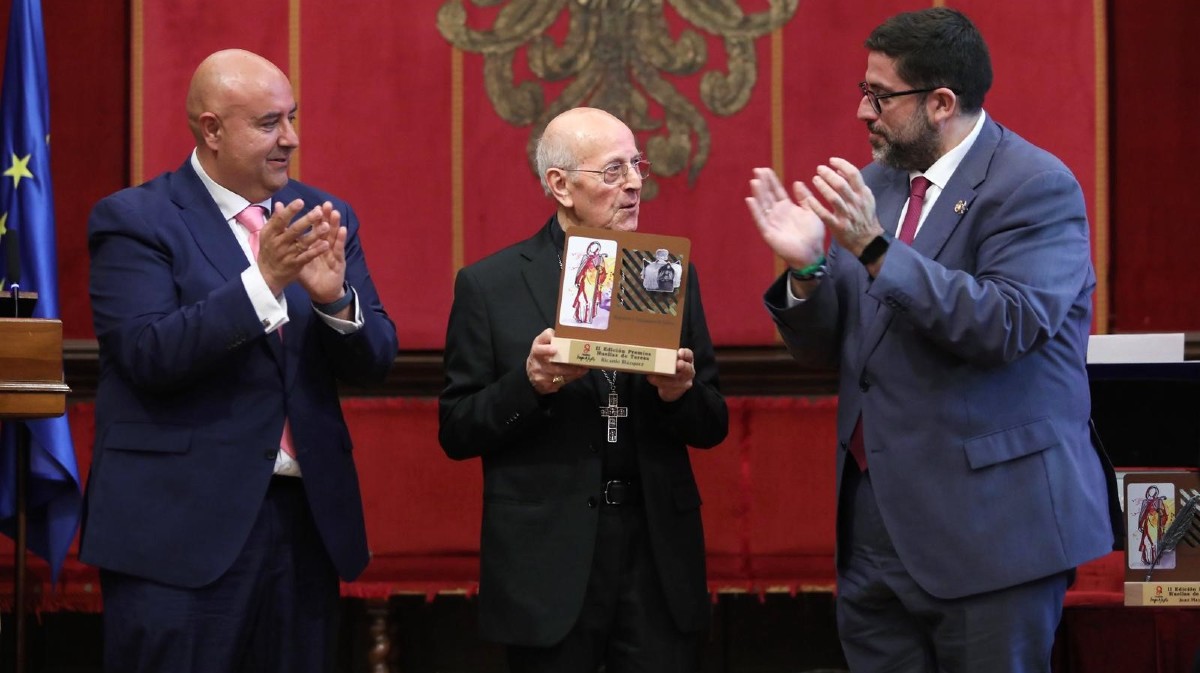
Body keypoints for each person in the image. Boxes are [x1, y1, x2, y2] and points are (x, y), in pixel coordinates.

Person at [745, 8, 1121, 672]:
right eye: (864, 91)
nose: (863, 111)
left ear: (941, 102)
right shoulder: (875, 186)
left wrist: (874, 249)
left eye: (880, 96)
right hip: (874, 530)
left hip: (992, 532)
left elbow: (1004, 323)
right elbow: (834, 349)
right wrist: (807, 269)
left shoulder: (1034, 186)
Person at [81, 49, 398, 673]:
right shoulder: (135, 219)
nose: (291, 138)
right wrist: (265, 282)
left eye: (292, 117)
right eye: (269, 123)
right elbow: (148, 354)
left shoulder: (322, 216)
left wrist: (334, 300)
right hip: (177, 534)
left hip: (303, 526)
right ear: (212, 129)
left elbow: (376, 360)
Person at [439, 106, 728, 673]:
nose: (635, 183)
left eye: (637, 165)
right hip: (548, 558)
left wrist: (680, 395)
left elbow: (712, 422)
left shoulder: (664, 274)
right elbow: (457, 429)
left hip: (655, 554)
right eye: (614, 170)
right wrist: (529, 385)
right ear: (560, 185)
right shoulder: (491, 285)